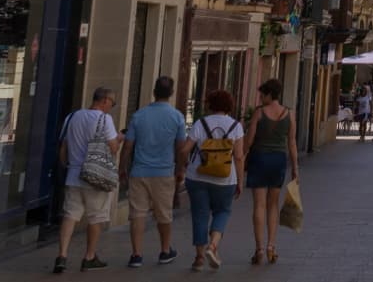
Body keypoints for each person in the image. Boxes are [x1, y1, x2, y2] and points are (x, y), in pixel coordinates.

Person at [120, 76, 188, 269]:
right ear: (171, 93)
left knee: (137, 214)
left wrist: (122, 169)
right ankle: (165, 250)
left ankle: (136, 254)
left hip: (140, 171)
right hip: (164, 172)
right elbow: (181, 147)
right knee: (164, 214)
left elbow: (128, 146)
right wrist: (180, 169)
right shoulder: (177, 117)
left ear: (154, 92)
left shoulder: (139, 115)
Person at [54, 86, 121, 274]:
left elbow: (63, 149)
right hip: (95, 176)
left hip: (73, 174)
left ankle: (62, 255)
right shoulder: (104, 119)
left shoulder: (72, 117)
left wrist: (67, 167)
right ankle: (89, 256)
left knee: (70, 215)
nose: (111, 107)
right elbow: (113, 148)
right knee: (96, 217)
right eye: (112, 103)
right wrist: (120, 138)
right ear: (105, 100)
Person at [182, 89, 244, 273]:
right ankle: (213, 246)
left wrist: (185, 165)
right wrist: (240, 181)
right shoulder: (236, 126)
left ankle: (199, 258)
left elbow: (185, 149)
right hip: (225, 179)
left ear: (210, 104)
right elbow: (239, 157)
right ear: (229, 106)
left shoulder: (200, 123)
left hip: (197, 177)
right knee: (222, 211)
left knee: (200, 215)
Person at [244, 78, 297, 265]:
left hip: (259, 159)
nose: (260, 98)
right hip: (278, 160)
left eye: (262, 95)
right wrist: (295, 168)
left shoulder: (259, 113)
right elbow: (292, 142)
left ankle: (258, 249)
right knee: (273, 204)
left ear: (268, 94)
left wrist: (241, 158)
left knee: (259, 205)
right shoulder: (289, 114)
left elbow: (249, 141)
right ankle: (271, 246)